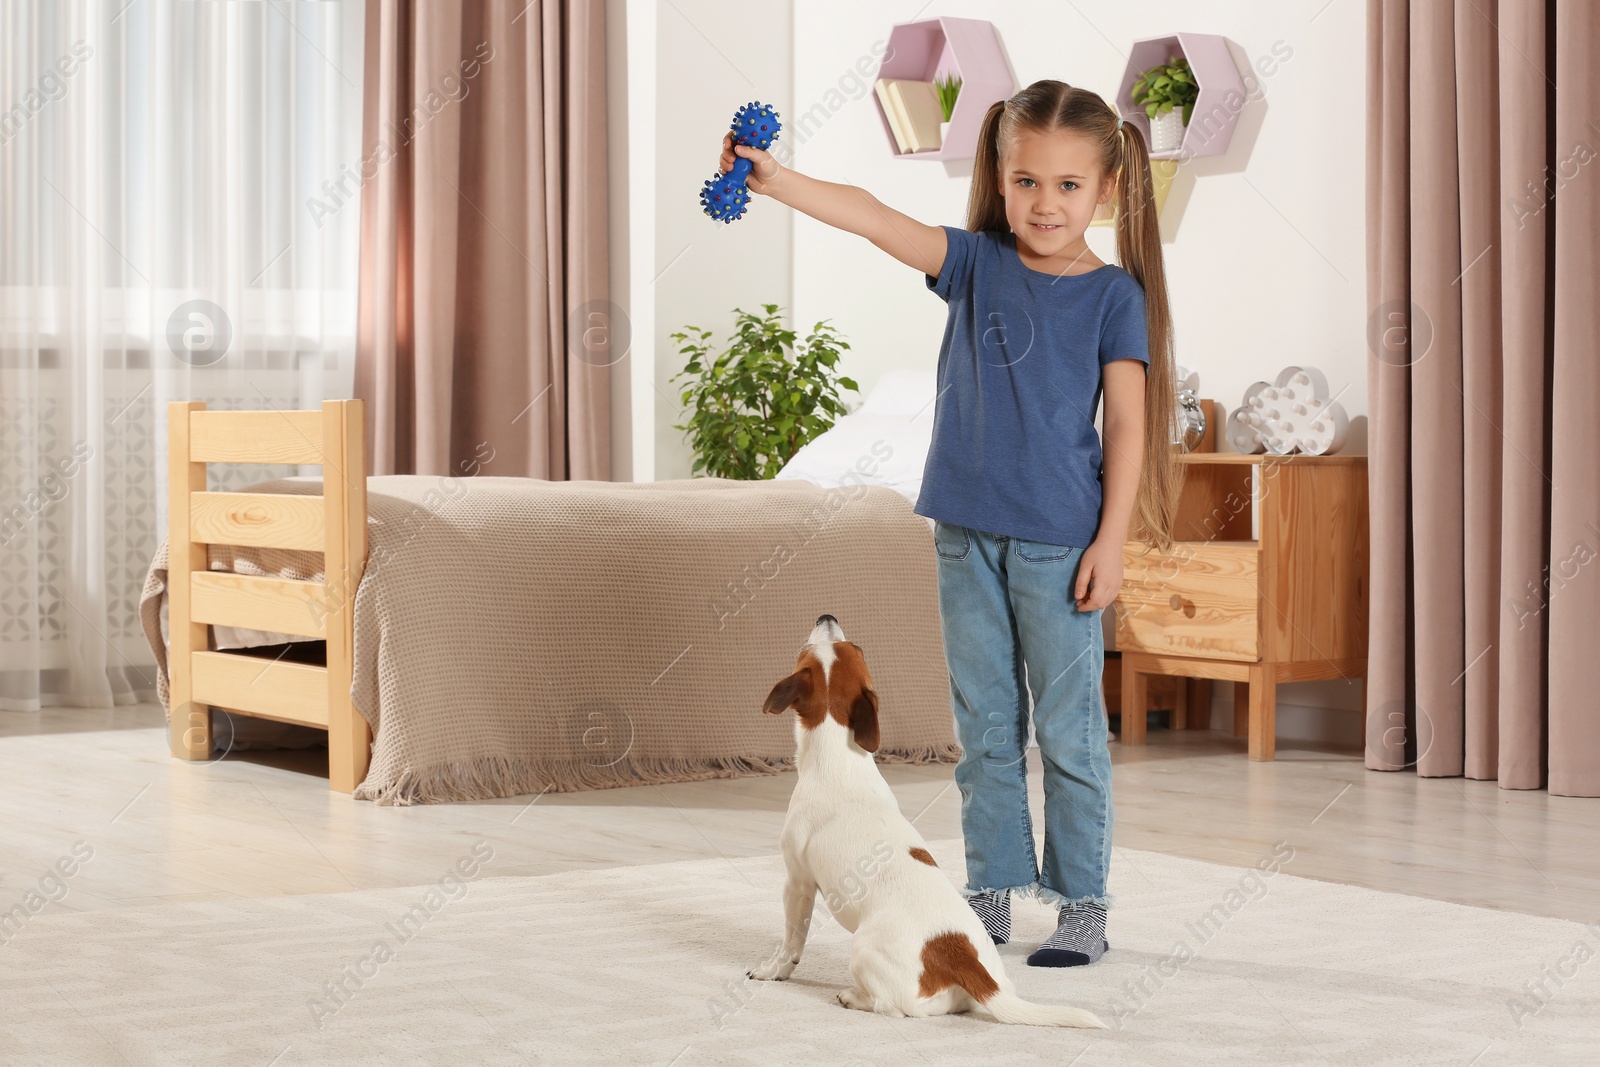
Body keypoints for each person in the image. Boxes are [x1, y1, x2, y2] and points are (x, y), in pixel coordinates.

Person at [718, 78, 1181, 966]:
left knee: (1072, 731)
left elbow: (1126, 423)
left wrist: (1113, 539)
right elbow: (872, 216)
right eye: (1027, 183)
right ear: (1001, 180)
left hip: (1062, 544)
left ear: (1109, 189)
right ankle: (993, 891)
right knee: (987, 725)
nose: (1045, 204)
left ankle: (1083, 901)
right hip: (965, 534)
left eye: (1068, 186)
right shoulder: (975, 263)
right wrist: (777, 179)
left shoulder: (1115, 296)